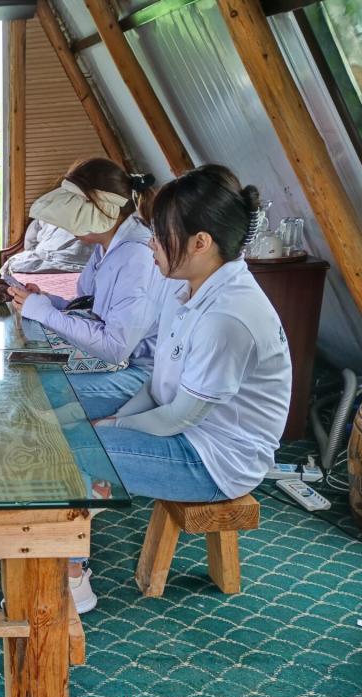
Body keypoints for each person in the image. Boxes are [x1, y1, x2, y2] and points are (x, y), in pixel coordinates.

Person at [82, 166, 292, 609]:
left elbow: (179, 416)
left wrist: (113, 427)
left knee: (77, 453)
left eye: (161, 235)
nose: (151, 244)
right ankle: (75, 517)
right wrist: (115, 421)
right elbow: (158, 387)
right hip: (188, 430)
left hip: (216, 460)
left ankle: (70, 572)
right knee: (78, 428)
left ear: (201, 243)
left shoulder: (227, 317)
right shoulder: (189, 290)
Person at [7, 158, 174, 421]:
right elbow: (93, 307)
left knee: (40, 393)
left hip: (141, 374)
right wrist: (48, 301)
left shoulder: (137, 256)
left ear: (103, 209)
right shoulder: (106, 246)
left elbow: (115, 347)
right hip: (116, 363)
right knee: (25, 376)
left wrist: (46, 313)